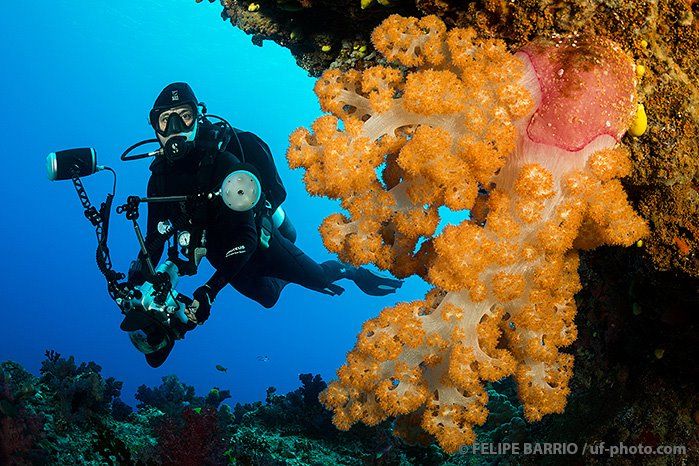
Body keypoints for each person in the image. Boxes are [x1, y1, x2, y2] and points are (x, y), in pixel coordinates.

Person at [127, 83, 402, 362]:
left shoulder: (224, 163)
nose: (175, 128)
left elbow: (246, 237)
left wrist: (210, 290)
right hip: (219, 252)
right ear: (155, 127)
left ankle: (352, 272)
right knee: (269, 298)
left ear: (198, 118)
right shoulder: (159, 180)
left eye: (184, 116)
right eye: (166, 119)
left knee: (319, 279)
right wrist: (137, 278)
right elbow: (154, 239)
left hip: (258, 240)